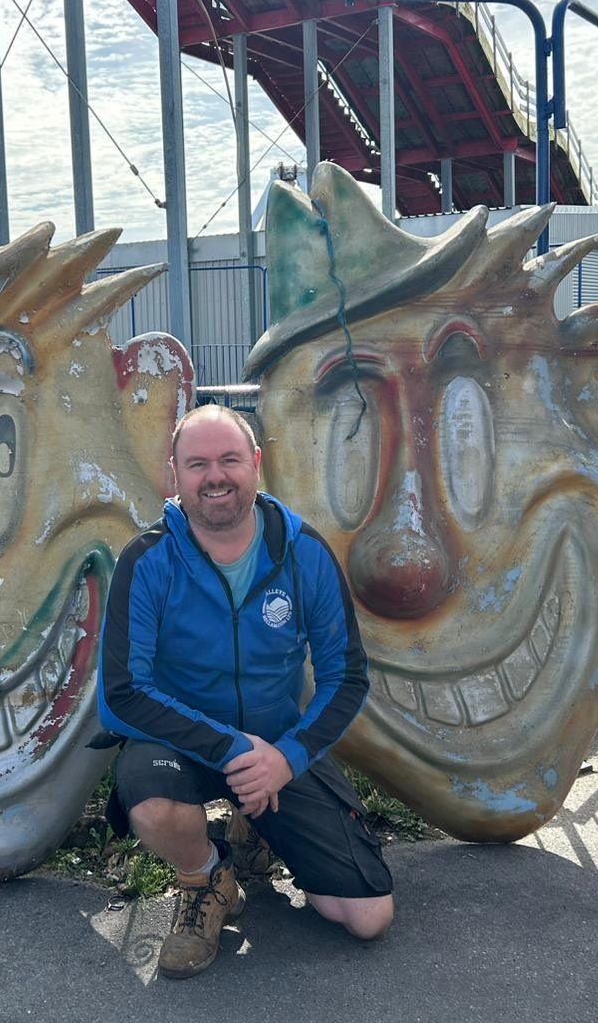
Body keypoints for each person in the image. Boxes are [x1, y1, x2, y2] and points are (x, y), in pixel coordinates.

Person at [98, 404, 395, 978]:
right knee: (155, 806)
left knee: (366, 916)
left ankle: (254, 823)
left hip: (278, 749)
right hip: (182, 743)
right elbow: (121, 693)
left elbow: (346, 675)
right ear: (175, 476)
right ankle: (208, 879)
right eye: (198, 463)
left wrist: (288, 757)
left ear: (256, 464)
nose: (216, 476)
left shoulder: (302, 550)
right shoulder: (146, 560)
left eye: (230, 459)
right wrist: (236, 750)